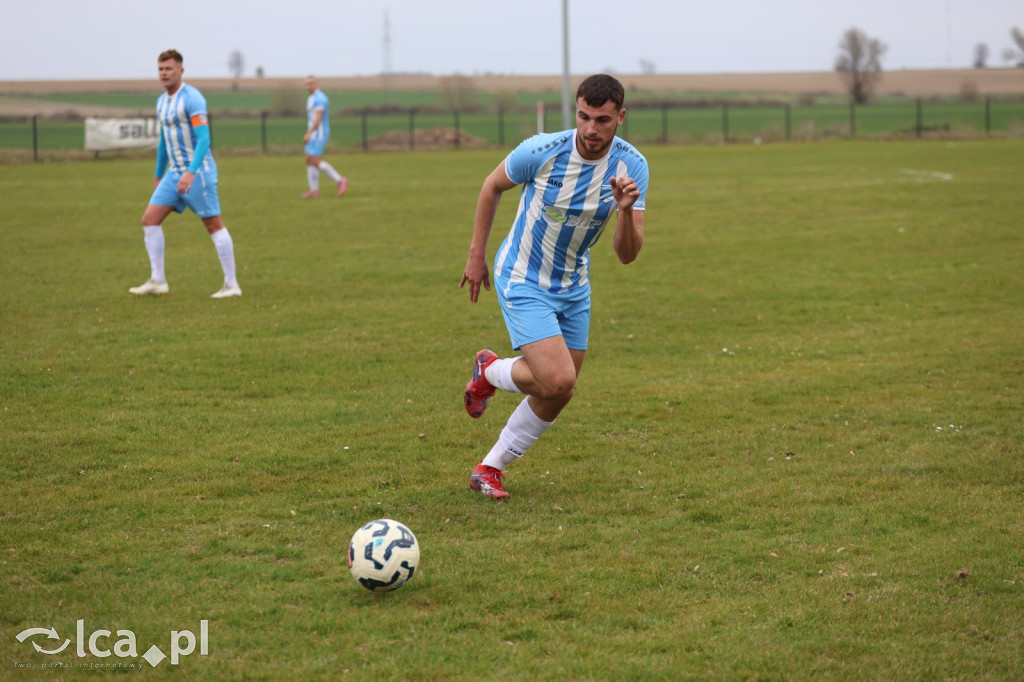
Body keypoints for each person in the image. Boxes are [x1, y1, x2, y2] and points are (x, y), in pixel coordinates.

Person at [459, 74, 649, 499]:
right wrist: (476, 256)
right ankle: (489, 371)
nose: (590, 129)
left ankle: (489, 468)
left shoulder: (632, 167)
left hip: (573, 285)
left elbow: (627, 254)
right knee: (559, 380)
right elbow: (491, 186)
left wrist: (624, 211)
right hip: (523, 275)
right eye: (583, 116)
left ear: (620, 117)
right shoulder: (541, 150)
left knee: (556, 392)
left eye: (602, 119)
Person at [129, 49, 242, 299]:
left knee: (213, 224)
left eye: (169, 69)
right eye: (160, 69)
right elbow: (164, 140)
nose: (164, 73)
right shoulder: (161, 102)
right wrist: (159, 174)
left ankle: (232, 285)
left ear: (181, 71)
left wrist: (191, 172)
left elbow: (204, 140)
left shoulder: (193, 99)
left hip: (198, 173)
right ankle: (158, 281)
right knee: (149, 220)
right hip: (173, 174)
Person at [301, 76, 348, 198]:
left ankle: (340, 180)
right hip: (313, 133)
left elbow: (318, 119)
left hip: (319, 134)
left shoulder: (320, 99)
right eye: (307, 84)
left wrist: (309, 133)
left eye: (311, 84)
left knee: (315, 160)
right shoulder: (311, 98)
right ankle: (314, 190)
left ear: (317, 84)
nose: (309, 86)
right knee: (308, 159)